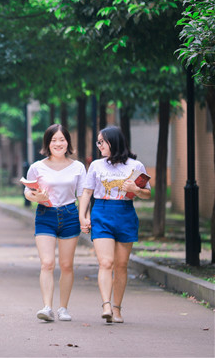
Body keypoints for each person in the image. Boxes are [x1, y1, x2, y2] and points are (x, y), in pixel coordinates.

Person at [79, 125, 151, 324]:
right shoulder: (96, 165)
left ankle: (117, 309)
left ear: (114, 142)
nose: (99, 145)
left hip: (125, 213)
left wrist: (135, 188)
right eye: (98, 142)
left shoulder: (136, 166)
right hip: (101, 212)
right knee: (106, 262)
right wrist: (82, 216)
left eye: (102, 141)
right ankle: (106, 305)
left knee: (121, 265)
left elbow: (147, 193)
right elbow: (86, 192)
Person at [23, 124, 86, 322]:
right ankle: (47, 307)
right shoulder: (37, 167)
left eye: (62, 139)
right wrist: (36, 197)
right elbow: (28, 191)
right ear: (47, 144)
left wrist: (84, 216)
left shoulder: (78, 167)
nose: (58, 143)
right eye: (54, 140)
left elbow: (83, 193)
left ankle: (63, 308)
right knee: (47, 263)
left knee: (66, 265)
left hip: (69, 214)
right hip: (45, 215)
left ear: (68, 142)